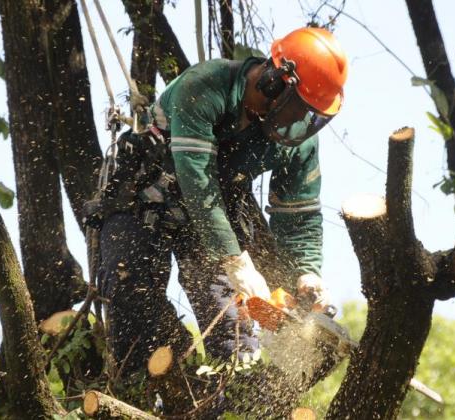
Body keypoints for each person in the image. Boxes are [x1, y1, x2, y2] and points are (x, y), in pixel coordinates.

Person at [96, 26, 348, 391]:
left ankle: (233, 400)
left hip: (210, 223)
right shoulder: (205, 86)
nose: (300, 123)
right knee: (128, 291)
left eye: (311, 117)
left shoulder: (298, 143)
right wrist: (237, 263)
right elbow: (197, 181)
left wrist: (307, 274)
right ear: (275, 82)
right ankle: (143, 391)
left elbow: (299, 214)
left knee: (233, 328)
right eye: (298, 109)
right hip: (143, 200)